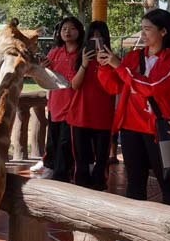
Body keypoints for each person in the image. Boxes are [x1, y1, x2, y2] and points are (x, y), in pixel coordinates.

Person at [97, 8, 170, 206]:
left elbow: (152, 87)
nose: (142, 34)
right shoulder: (133, 56)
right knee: (135, 183)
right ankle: (133, 231)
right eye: (142, 29)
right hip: (130, 127)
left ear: (163, 31)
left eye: (148, 29)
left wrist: (119, 66)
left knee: (168, 182)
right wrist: (104, 66)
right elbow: (113, 87)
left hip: (160, 128)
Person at [70, 19, 117, 189]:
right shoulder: (79, 58)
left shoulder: (113, 60)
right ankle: (81, 186)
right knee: (81, 158)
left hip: (103, 116)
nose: (96, 42)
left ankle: (99, 185)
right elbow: (74, 85)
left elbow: (115, 87)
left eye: (100, 38)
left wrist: (109, 62)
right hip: (80, 114)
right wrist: (84, 64)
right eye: (92, 38)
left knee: (102, 158)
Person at [43, 16, 85, 179]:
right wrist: (43, 67)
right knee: (53, 138)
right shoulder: (54, 52)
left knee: (66, 142)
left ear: (80, 31)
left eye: (72, 28)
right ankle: (50, 167)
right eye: (64, 29)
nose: (67, 32)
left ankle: (62, 174)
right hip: (55, 103)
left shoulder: (82, 53)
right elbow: (46, 77)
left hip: (74, 105)